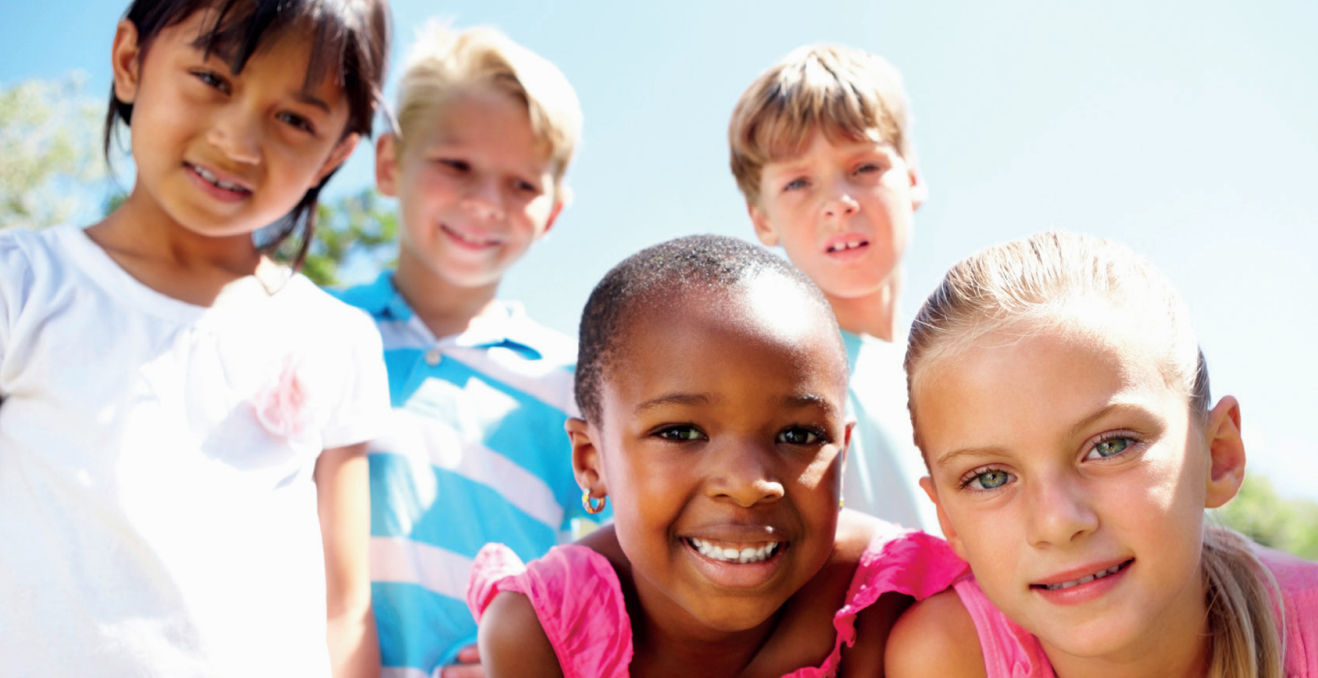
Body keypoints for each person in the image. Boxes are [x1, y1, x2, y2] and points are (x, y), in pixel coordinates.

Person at [0, 0, 391, 675]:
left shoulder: (335, 338)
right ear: (131, 63)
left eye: (295, 119)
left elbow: (344, 610)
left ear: (336, 152)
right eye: (214, 80)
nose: (239, 143)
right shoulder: (10, 285)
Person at [467, 235, 969, 678]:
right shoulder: (542, 631)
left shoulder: (902, 608)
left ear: (841, 455)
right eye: (681, 431)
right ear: (591, 463)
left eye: (798, 436)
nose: (749, 482)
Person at [885, 232, 1318, 678]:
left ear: (1217, 454)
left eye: (1110, 446)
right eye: (989, 478)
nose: (1058, 523)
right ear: (949, 521)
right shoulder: (948, 658)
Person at [328, 24, 602, 678]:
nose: (485, 203)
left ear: (555, 211)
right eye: (456, 165)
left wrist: (542, 657)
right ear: (390, 162)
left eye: (522, 185)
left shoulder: (572, 386)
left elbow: (618, 579)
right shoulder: (315, 333)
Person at [728, 44, 935, 533]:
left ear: (911, 180)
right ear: (761, 218)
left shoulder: (955, 371)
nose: (839, 202)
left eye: (864, 168)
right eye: (798, 183)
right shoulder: (778, 380)